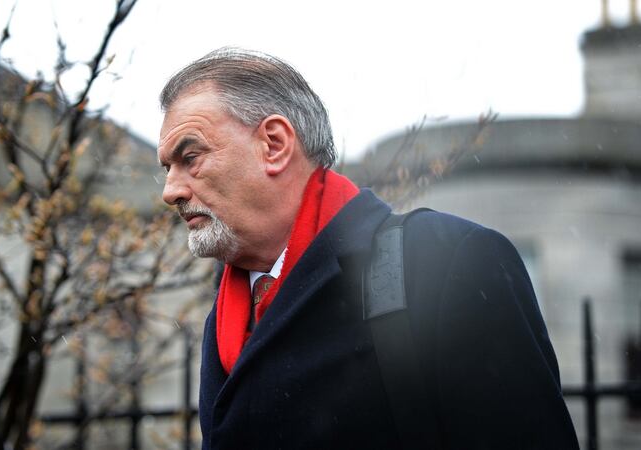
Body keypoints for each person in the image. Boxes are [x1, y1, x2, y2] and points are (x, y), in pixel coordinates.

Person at [157, 48, 578, 449]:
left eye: (190, 156)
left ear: (274, 145)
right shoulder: (226, 316)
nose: (170, 191)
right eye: (167, 168)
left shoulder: (451, 260)